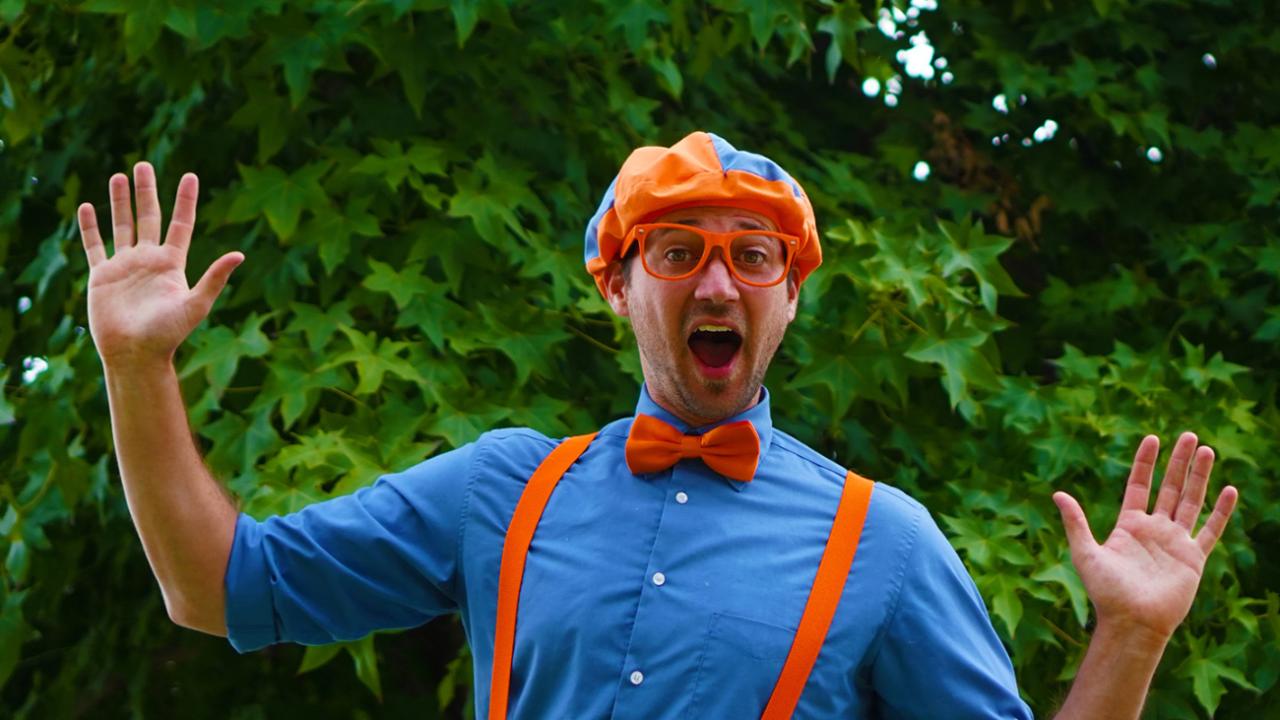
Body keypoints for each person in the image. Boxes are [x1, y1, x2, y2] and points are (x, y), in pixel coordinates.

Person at [77, 131, 1238, 719]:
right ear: (618, 286)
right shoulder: (499, 491)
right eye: (678, 253)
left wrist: (1129, 639)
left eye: (753, 256)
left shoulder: (882, 544)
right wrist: (135, 367)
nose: (718, 283)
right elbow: (216, 587)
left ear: (790, 296)